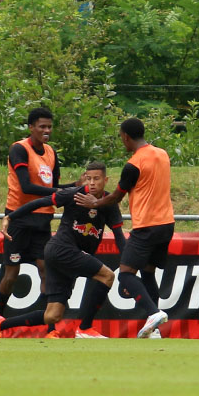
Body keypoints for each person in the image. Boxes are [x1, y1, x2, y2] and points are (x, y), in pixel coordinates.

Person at [0, 162, 126, 339]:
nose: (92, 183)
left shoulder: (108, 203)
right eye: (88, 178)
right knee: (107, 276)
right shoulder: (74, 194)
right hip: (61, 249)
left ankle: (0, 324)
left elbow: (119, 237)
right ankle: (85, 328)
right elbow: (41, 202)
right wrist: (10, 217)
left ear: (106, 180)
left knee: (52, 315)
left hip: (60, 257)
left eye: (97, 179)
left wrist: (126, 270)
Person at [74, 117, 170, 338]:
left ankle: (153, 313)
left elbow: (116, 196)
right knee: (148, 274)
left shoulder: (133, 164)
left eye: (121, 137)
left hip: (147, 225)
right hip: (167, 224)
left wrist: (94, 203)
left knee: (126, 275)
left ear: (126, 137)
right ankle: (154, 330)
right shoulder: (162, 154)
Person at [0, 107, 78, 323]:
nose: (46, 130)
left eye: (49, 127)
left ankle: (48, 326)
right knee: (11, 274)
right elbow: (27, 187)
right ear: (31, 127)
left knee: (46, 270)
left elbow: (53, 188)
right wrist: (62, 192)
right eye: (42, 127)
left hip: (42, 221)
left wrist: (76, 186)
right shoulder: (19, 149)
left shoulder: (50, 152)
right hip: (19, 219)